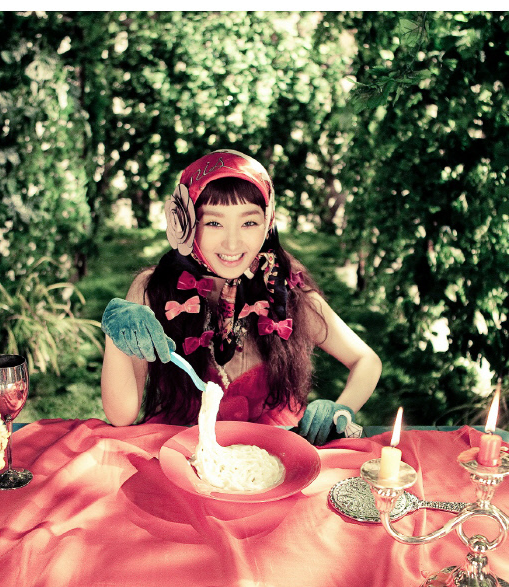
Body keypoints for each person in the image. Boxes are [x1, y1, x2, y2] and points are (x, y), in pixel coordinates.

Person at [100, 149, 382, 445]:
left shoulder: (285, 286)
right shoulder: (153, 289)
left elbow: (365, 360)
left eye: (249, 222)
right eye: (214, 223)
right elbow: (121, 415)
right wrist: (114, 335)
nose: (232, 243)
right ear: (185, 223)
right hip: (178, 451)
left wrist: (341, 409)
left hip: (277, 452)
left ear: (268, 222)